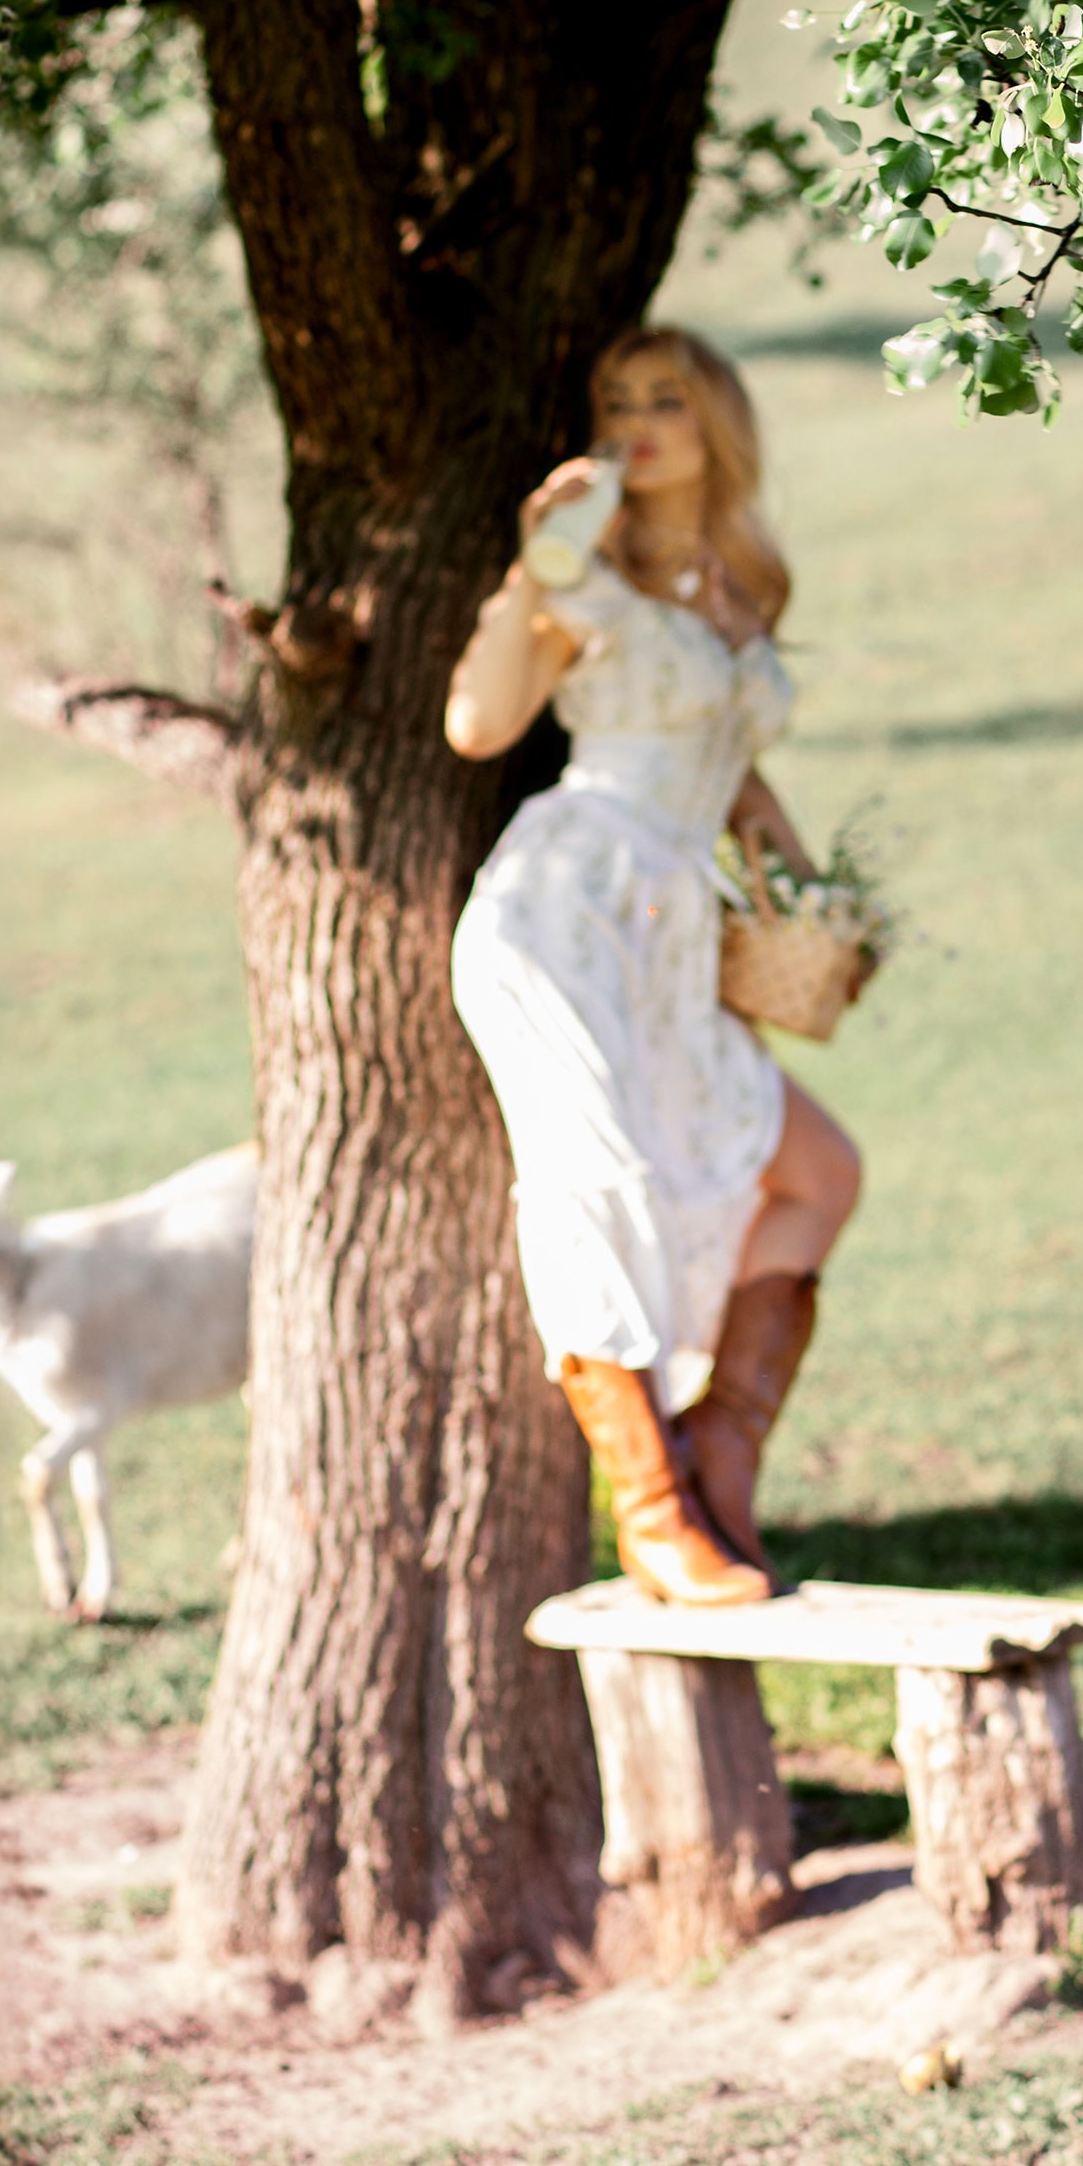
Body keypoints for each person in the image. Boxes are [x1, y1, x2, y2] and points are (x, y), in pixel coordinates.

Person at [445, 326, 861, 1606]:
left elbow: (725, 750)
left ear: (717, 420)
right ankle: (653, 1513)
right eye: (618, 401)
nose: (638, 420)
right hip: (567, 903)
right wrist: (530, 572)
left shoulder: (740, 576)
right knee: (596, 1177)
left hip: (675, 924)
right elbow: (477, 725)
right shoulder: (589, 571)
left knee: (818, 1171)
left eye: (666, 400)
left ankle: (717, 1458)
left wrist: (805, 883)